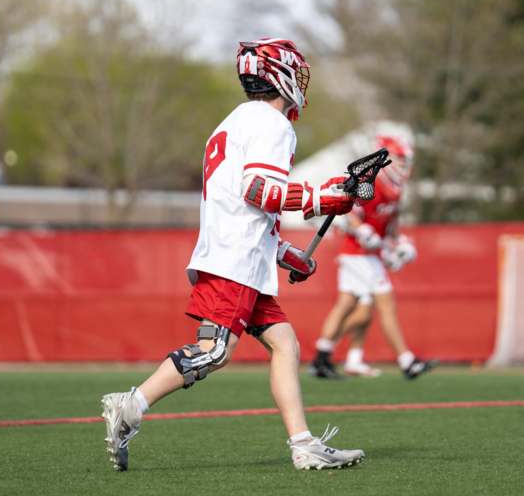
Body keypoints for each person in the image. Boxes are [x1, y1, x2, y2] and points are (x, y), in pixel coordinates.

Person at [101, 38, 365, 472]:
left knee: (285, 343)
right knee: (215, 351)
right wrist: (319, 198)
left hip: (240, 253)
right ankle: (130, 404)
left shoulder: (235, 121)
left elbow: (244, 207)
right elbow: (258, 192)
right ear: (278, 76)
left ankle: (303, 445)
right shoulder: (272, 124)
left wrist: (285, 253)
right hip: (234, 260)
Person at [309, 133, 435, 380]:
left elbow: (390, 229)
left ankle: (321, 357)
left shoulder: (395, 190)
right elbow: (350, 213)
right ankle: (407, 361)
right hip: (357, 254)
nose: (403, 164)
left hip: (367, 255)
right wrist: (361, 229)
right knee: (385, 303)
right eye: (398, 158)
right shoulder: (373, 184)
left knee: (349, 307)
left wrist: (400, 245)